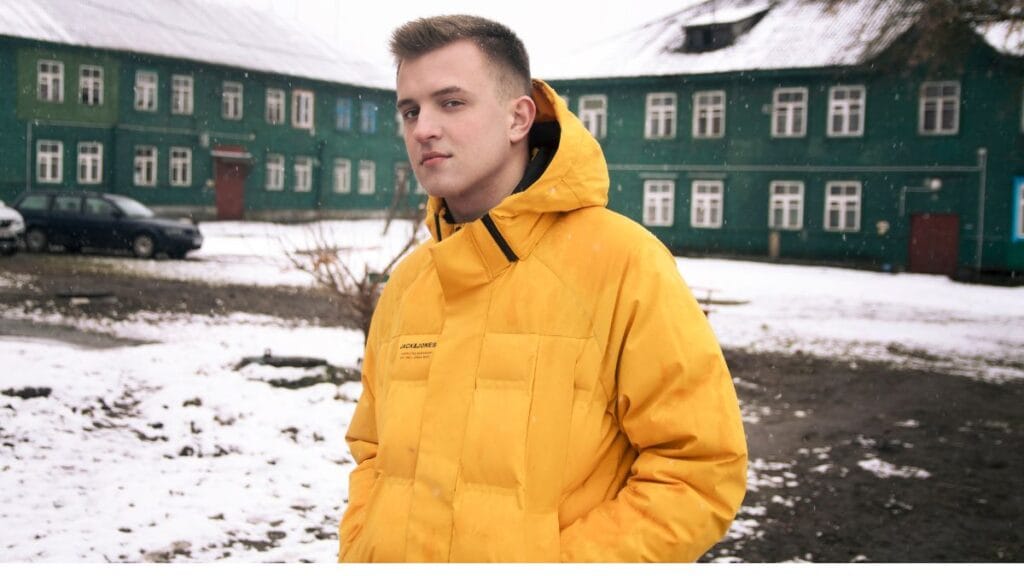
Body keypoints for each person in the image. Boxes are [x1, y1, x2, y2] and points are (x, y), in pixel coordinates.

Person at [338, 15, 747, 562]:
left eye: (451, 103)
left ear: (518, 118)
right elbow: (372, 454)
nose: (422, 129)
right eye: (410, 110)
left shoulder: (624, 264)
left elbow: (698, 471)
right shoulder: (410, 284)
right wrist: (362, 548)